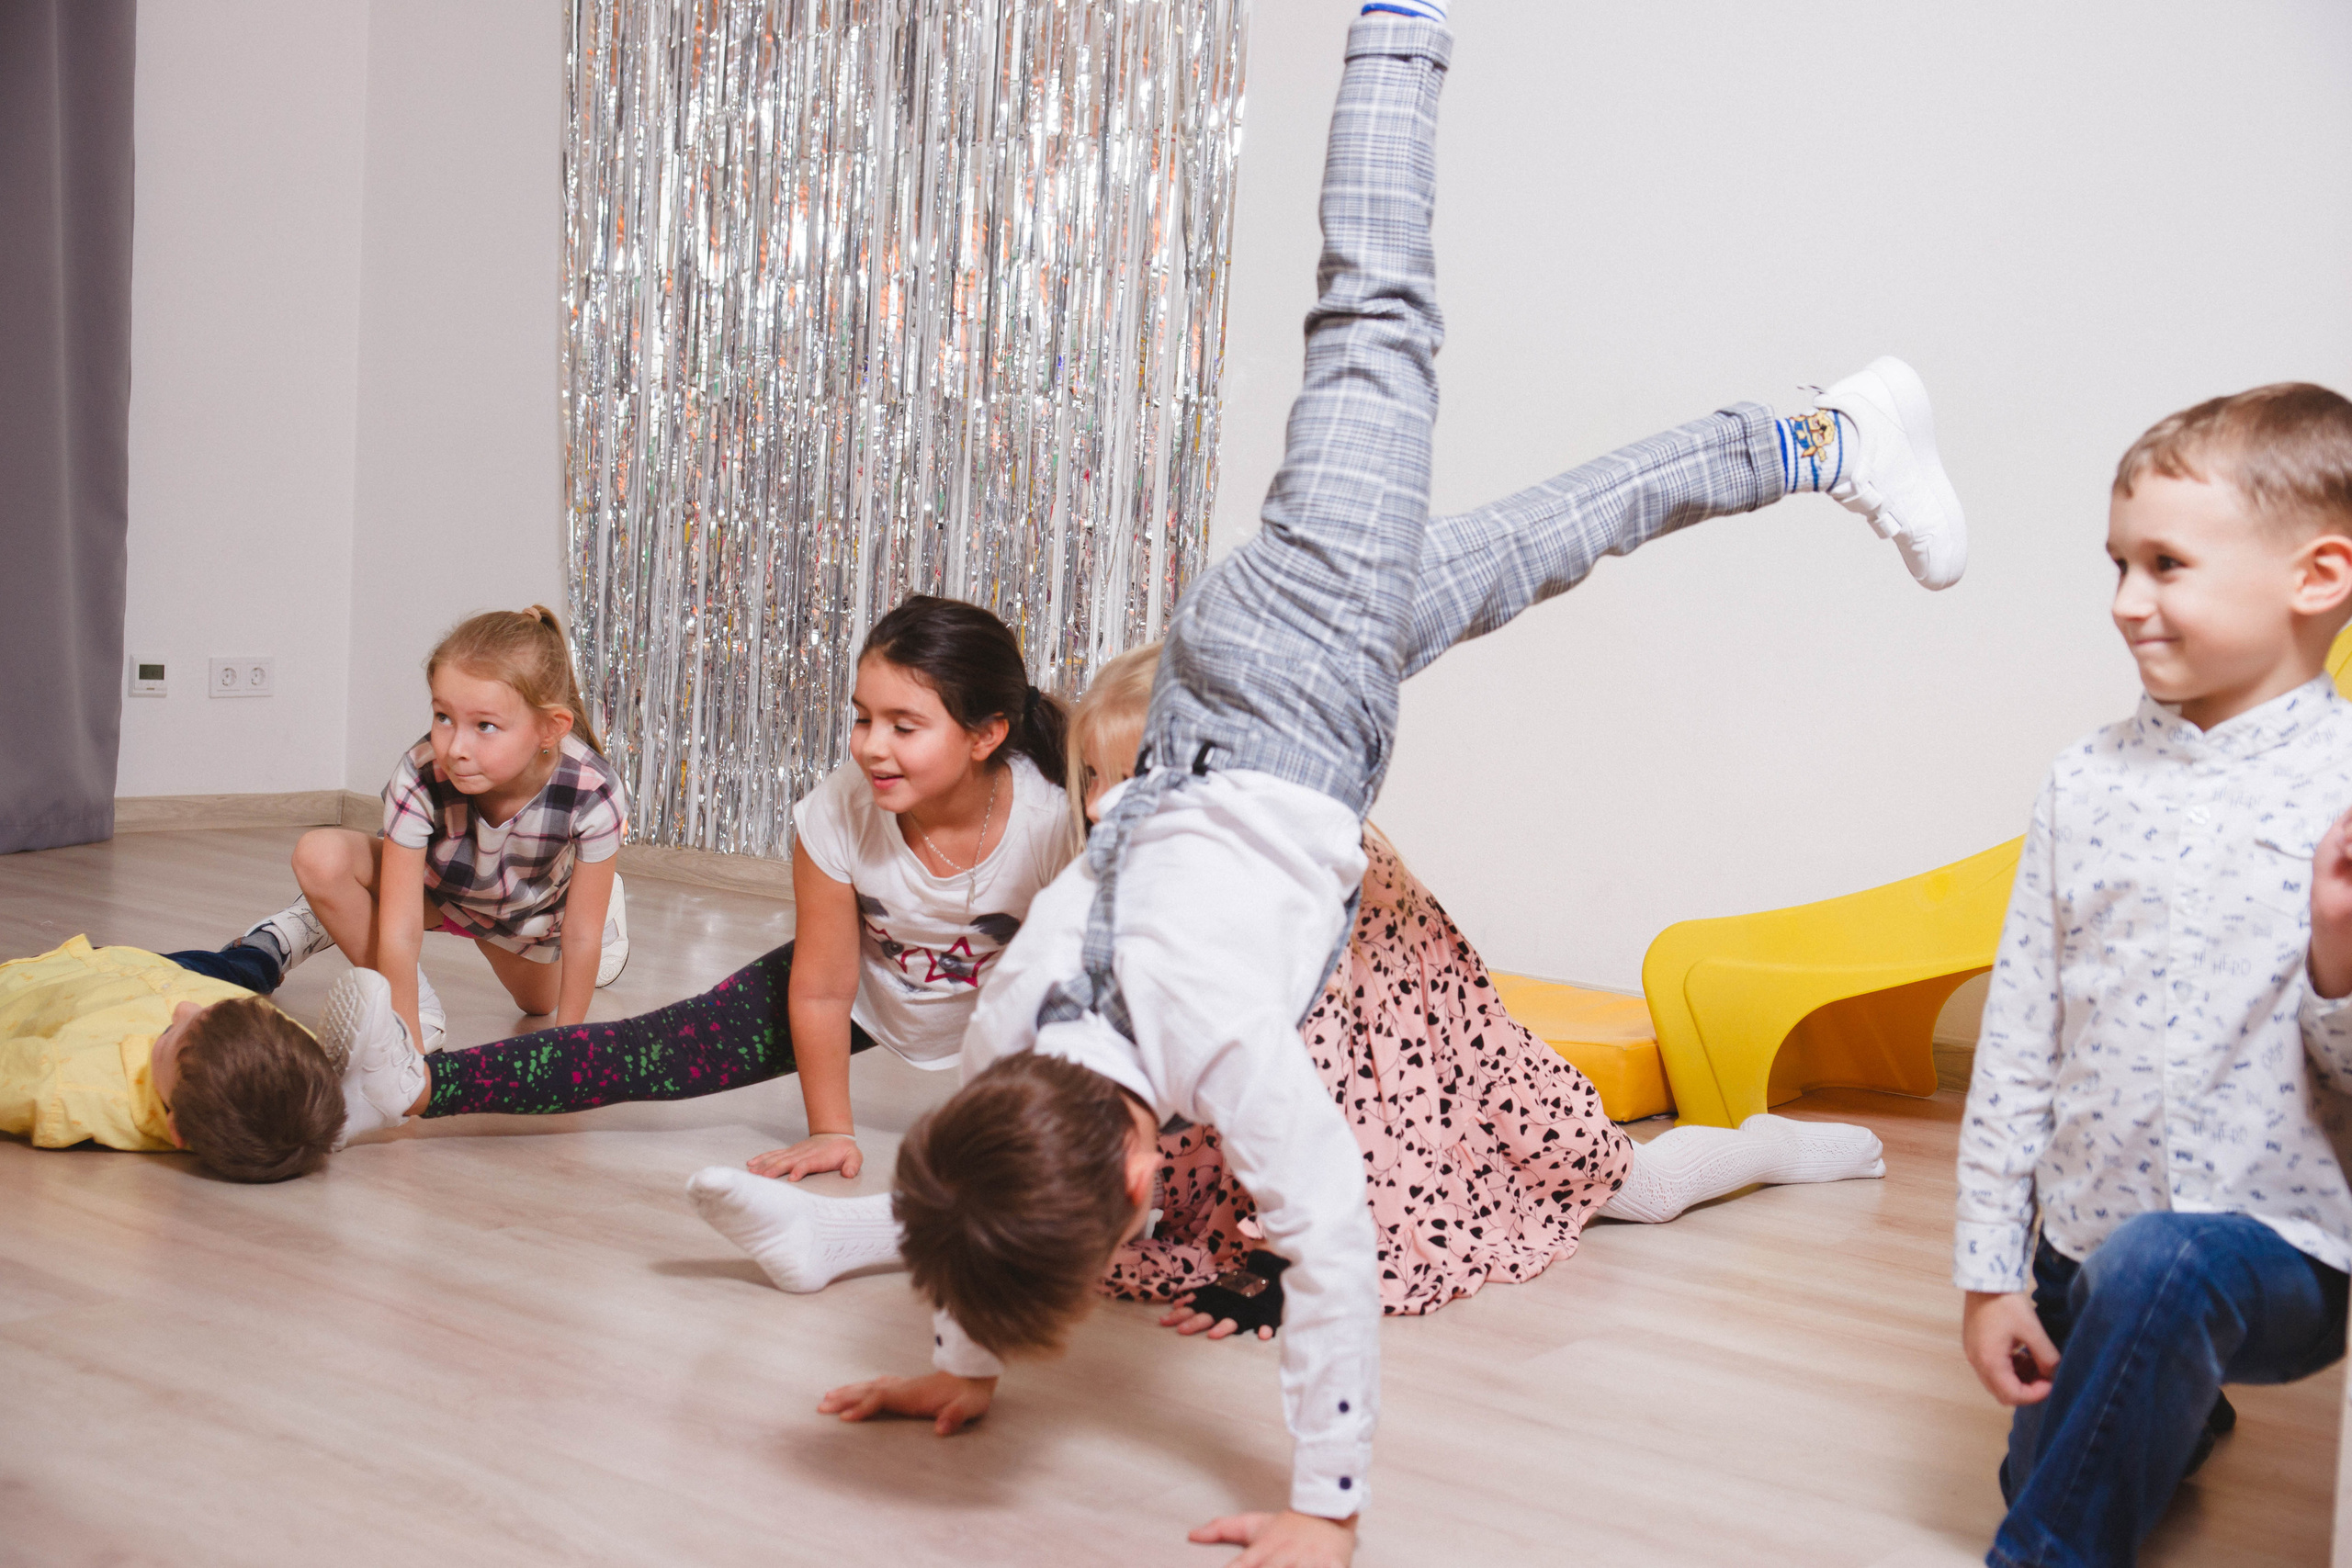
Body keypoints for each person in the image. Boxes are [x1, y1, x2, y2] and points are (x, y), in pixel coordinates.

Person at [820, 6, 1967, 1564]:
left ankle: (1396, 33)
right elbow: (966, 1190)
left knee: (1375, 315)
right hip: (1240, 677)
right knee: (1558, 534)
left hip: (1295, 691)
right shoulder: (1014, 1032)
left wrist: (1329, 1504)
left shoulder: (1219, 1043)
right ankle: (1826, 436)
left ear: (1142, 1174)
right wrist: (958, 1359)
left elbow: (1334, 1248)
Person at [689, 642, 1889, 1322]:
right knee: (1077, 1199)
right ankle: (841, 1234)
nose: (1112, 805)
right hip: (1233, 1087)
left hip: (1398, 1070)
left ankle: (1774, 1148)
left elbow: (1324, 1079)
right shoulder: (1109, 891)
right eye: (1097, 780)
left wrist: (1281, 1259)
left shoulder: (1292, 881)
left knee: (1628, 1187)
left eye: (1150, 778)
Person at [1956, 382, 2352, 1568]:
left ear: (2318, 577)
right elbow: (2017, 1040)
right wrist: (1989, 1273)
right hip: (2084, 1245)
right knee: (2050, 1448)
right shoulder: (2082, 782)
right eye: (2118, 565)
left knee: (2165, 1267)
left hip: (2284, 1252)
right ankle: (2175, 1392)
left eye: (2166, 565)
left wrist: (2337, 962)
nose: (2126, 602)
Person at [325, 596, 1074, 1165]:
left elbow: (1078, 995)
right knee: (640, 1050)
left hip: (1013, 1003)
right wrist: (831, 1131)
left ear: (986, 734)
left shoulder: (1052, 824)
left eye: (903, 727)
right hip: (867, 983)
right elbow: (820, 991)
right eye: (863, 718)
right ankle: (410, 1084)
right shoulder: (835, 811)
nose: (872, 747)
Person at [233, 606, 632, 1056]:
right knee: (320, 857)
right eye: (443, 716)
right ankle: (336, 931)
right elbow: (400, 928)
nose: (455, 747)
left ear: (550, 729)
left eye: (485, 726)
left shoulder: (593, 788)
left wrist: (568, 1048)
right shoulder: (419, 773)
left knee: (539, 1004)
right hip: (437, 891)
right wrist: (409, 1038)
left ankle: (600, 894)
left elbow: (580, 935)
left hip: (522, 915)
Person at [0, 934, 342, 1181]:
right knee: (238, 969)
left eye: (168, 1035)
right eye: (204, 1011)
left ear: (176, 1129)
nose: (183, 1008)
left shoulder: (62, 1085)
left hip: (58, 979)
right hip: (174, 973)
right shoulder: (290, 1066)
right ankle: (266, 947)